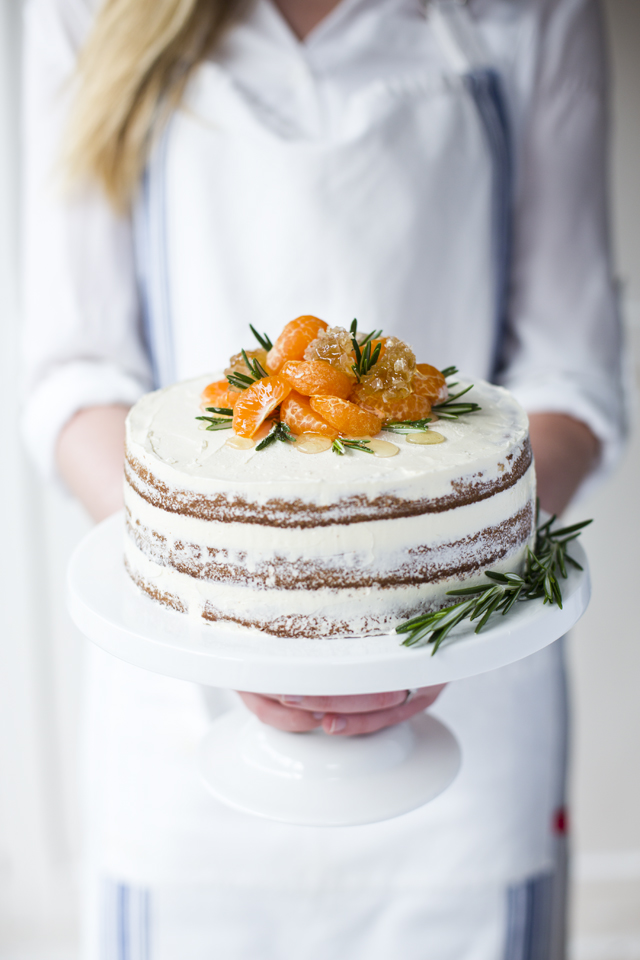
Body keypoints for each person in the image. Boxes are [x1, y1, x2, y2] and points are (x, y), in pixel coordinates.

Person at [22, 0, 624, 957]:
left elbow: (571, 376)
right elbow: (75, 374)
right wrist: (228, 608)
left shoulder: (530, 15)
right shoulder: (85, 13)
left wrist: (426, 601)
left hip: (470, 713)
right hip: (181, 729)